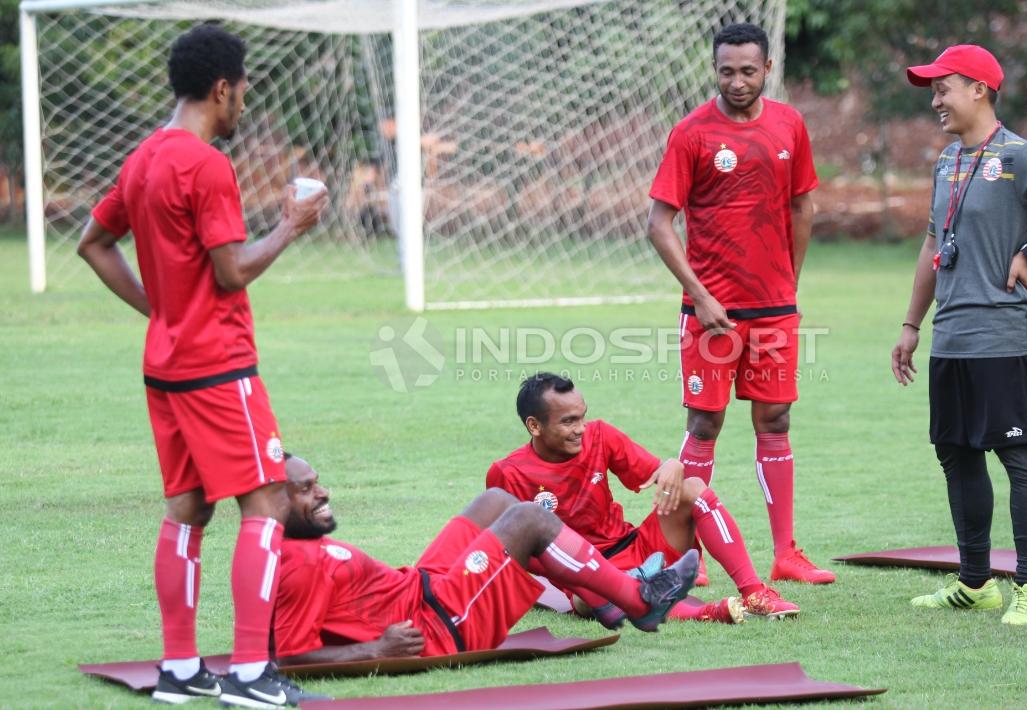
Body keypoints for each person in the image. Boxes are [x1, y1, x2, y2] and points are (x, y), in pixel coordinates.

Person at [77, 24, 329, 706]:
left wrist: (161, 311)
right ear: (224, 88)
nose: (242, 101)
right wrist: (291, 226)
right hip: (219, 367)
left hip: (165, 367)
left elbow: (94, 244)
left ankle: (180, 668)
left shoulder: (144, 158)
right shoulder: (207, 164)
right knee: (268, 502)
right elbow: (231, 270)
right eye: (243, 90)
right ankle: (249, 674)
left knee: (188, 510)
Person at [892, 45, 1027, 626]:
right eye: (933, 90)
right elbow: (934, 248)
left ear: (980, 89)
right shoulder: (946, 162)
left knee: (1016, 453)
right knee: (956, 453)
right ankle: (975, 582)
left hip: (1005, 332)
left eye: (944, 88)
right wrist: (913, 325)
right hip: (953, 334)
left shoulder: (1021, 157)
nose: (936, 100)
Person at [645, 22, 833, 585]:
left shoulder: (789, 125)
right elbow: (658, 225)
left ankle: (786, 554)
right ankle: (688, 558)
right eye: (726, 70)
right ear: (715, 69)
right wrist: (699, 296)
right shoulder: (692, 133)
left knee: (775, 419)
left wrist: (788, 285)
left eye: (748, 70)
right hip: (711, 312)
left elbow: (804, 208)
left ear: (767, 70)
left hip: (773, 310)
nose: (737, 81)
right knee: (704, 423)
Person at [273, 454, 699, 664]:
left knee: (495, 500)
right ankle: (638, 602)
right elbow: (287, 655)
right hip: (440, 624)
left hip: (422, 589)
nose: (323, 492)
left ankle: (602, 598)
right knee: (529, 519)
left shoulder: (292, 545)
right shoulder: (301, 565)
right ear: (273, 502)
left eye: (318, 482)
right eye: (306, 489)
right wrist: (376, 649)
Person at [486, 373, 801, 623]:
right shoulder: (507, 473)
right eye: (568, 421)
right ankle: (706, 612)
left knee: (693, 488)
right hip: (585, 575)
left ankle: (754, 593)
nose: (581, 428)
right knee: (593, 600)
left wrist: (673, 465)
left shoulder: (600, 435)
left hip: (637, 549)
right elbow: (515, 550)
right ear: (534, 426)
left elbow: (657, 472)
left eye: (582, 417)